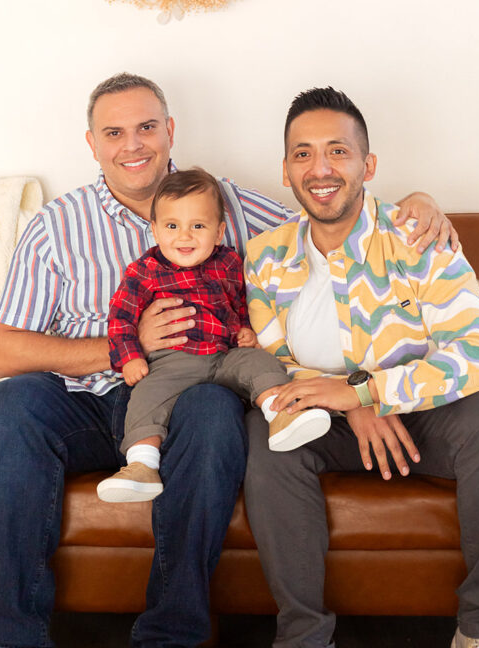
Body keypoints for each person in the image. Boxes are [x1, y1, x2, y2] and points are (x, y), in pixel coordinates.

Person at [0, 72, 457, 648]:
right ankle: (13, 639)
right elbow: (4, 351)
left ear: (170, 130)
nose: (133, 145)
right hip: (85, 399)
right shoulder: (58, 225)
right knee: (5, 405)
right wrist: (128, 346)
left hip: (192, 395)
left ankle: (170, 635)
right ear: (92, 143)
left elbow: (335, 229)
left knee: (212, 410)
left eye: (147, 127)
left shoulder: (226, 203)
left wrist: (415, 206)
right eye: (114, 132)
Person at [243, 86, 479, 648]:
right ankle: (303, 636)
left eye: (337, 151)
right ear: (284, 169)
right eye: (302, 154)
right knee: (267, 432)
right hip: (326, 421)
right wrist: (349, 402)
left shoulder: (417, 236)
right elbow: (272, 359)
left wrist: (371, 392)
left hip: (429, 418)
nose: (320, 168)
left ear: (367, 164)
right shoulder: (265, 255)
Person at [97, 168, 331, 503]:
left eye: (198, 226)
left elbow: (238, 303)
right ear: (155, 231)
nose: (185, 237)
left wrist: (244, 331)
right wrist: (130, 356)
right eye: (172, 226)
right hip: (172, 362)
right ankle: (141, 465)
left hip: (224, 357)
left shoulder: (230, 263)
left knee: (260, 362)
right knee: (146, 398)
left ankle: (280, 415)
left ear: (219, 231)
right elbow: (120, 318)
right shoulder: (144, 272)